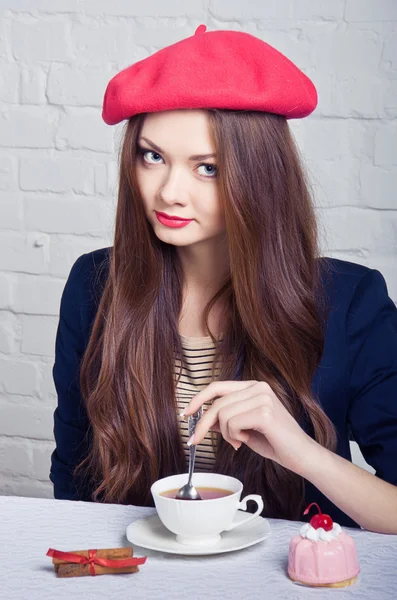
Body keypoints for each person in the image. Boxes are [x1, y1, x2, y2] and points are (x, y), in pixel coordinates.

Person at [50, 25, 397, 534]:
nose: (169, 191)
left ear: (261, 175)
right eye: (153, 156)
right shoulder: (94, 284)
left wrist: (302, 452)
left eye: (207, 167)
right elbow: (74, 483)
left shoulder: (352, 302)